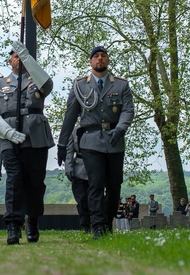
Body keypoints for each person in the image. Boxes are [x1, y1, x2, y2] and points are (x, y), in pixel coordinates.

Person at [57, 45, 135, 239]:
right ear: (90, 62)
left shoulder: (121, 85)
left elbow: (128, 110)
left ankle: (107, 222)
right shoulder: (79, 85)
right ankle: (98, 226)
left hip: (115, 140)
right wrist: (61, 144)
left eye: (103, 56)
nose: (100, 59)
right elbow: (70, 117)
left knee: (115, 185)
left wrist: (121, 128)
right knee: (95, 184)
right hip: (90, 141)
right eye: (96, 56)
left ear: (107, 61)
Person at [0, 40, 54, 245]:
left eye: (21, 56)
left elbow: (48, 86)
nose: (19, 59)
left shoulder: (37, 78)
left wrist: (29, 59)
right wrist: (6, 131)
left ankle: (32, 219)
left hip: (35, 138)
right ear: (9, 60)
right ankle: (13, 225)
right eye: (16, 56)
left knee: (35, 183)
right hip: (9, 138)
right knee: (13, 182)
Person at [63, 128, 90, 232]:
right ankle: (85, 225)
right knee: (82, 200)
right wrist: (68, 168)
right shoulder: (74, 131)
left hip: (95, 169)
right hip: (79, 171)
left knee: (94, 200)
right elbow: (69, 151)